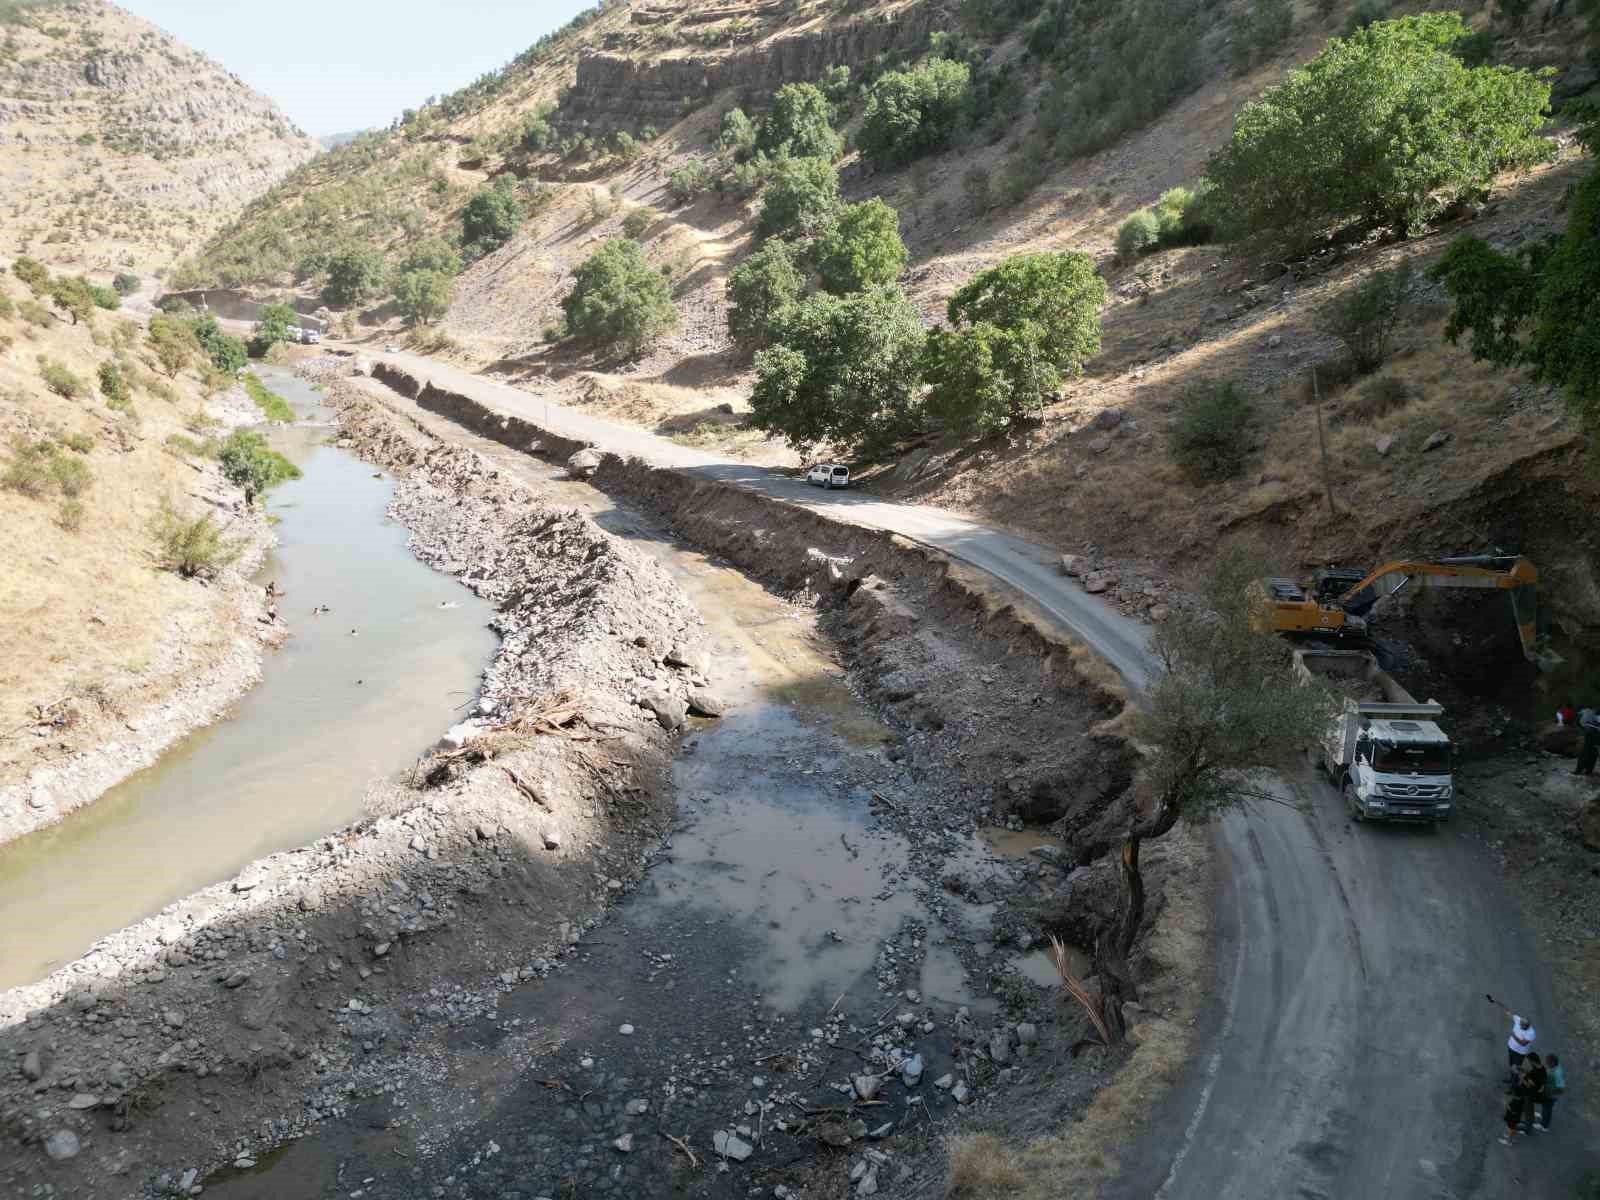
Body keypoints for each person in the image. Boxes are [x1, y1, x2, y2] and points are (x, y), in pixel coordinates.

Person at [1517, 1053, 1548, 1132]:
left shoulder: (1536, 1074)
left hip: (1529, 1094)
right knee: (1526, 1107)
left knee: (1528, 1112)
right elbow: (1531, 1075)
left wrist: (1521, 1077)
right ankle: (1527, 1118)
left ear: (1533, 1061)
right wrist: (1523, 1070)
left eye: (1529, 1061)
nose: (1529, 1062)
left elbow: (1529, 1085)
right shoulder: (1541, 1068)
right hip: (1532, 1093)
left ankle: (1527, 1129)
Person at [1537, 1054, 1565, 1131]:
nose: (1546, 1063)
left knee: (1547, 1109)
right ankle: (1543, 1117)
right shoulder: (1554, 1067)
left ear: (1553, 1063)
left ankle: (1544, 1126)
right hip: (1547, 1092)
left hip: (1550, 1096)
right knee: (1545, 1108)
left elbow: (1561, 1089)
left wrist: (1550, 1092)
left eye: (1548, 1062)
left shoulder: (1557, 1073)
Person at [1575, 707, 1600, 775]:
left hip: (1591, 731)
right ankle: (1588, 771)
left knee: (1585, 751)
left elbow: (1579, 722)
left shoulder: (1583, 712)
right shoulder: (1592, 713)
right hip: (1594, 732)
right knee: (1592, 751)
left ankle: (1579, 771)